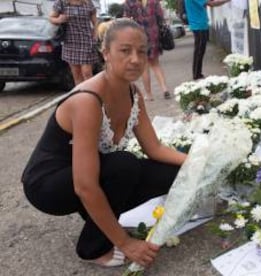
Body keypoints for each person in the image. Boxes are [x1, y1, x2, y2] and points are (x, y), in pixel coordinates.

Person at [21, 18, 187, 268]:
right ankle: (93, 247)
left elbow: (154, 149)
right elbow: (85, 186)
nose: (135, 59)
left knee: (172, 173)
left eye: (141, 52)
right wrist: (126, 242)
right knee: (124, 165)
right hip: (48, 185)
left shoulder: (133, 93)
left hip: (92, 171)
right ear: (106, 53)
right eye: (125, 50)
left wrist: (198, 162)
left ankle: (99, 217)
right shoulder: (87, 100)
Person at [124, 0, 171, 100]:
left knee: (144, 67)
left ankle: (149, 94)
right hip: (153, 34)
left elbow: (126, 20)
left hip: (139, 36)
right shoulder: (153, 1)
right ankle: (164, 89)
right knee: (155, 64)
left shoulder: (130, 2)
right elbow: (160, 16)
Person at [49, 0, 99, 86]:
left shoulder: (88, 2)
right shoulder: (61, 3)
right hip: (70, 41)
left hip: (86, 40)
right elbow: (51, 18)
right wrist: (59, 20)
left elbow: (95, 21)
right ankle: (80, 95)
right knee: (76, 74)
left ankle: (90, 95)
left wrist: (95, 35)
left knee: (87, 73)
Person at [184, 0, 230, 80]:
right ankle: (196, 74)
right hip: (199, 25)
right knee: (199, 51)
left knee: (200, 51)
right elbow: (211, 4)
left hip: (199, 25)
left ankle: (198, 74)